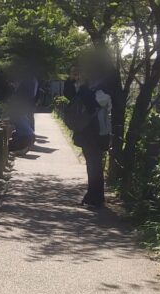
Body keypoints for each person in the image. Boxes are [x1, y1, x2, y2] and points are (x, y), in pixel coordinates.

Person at [66, 57, 115, 208]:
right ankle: (92, 196)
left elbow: (92, 103)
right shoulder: (89, 86)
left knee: (95, 165)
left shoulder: (106, 88)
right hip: (86, 131)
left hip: (98, 132)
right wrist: (71, 79)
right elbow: (71, 96)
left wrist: (82, 88)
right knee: (92, 165)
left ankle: (96, 197)